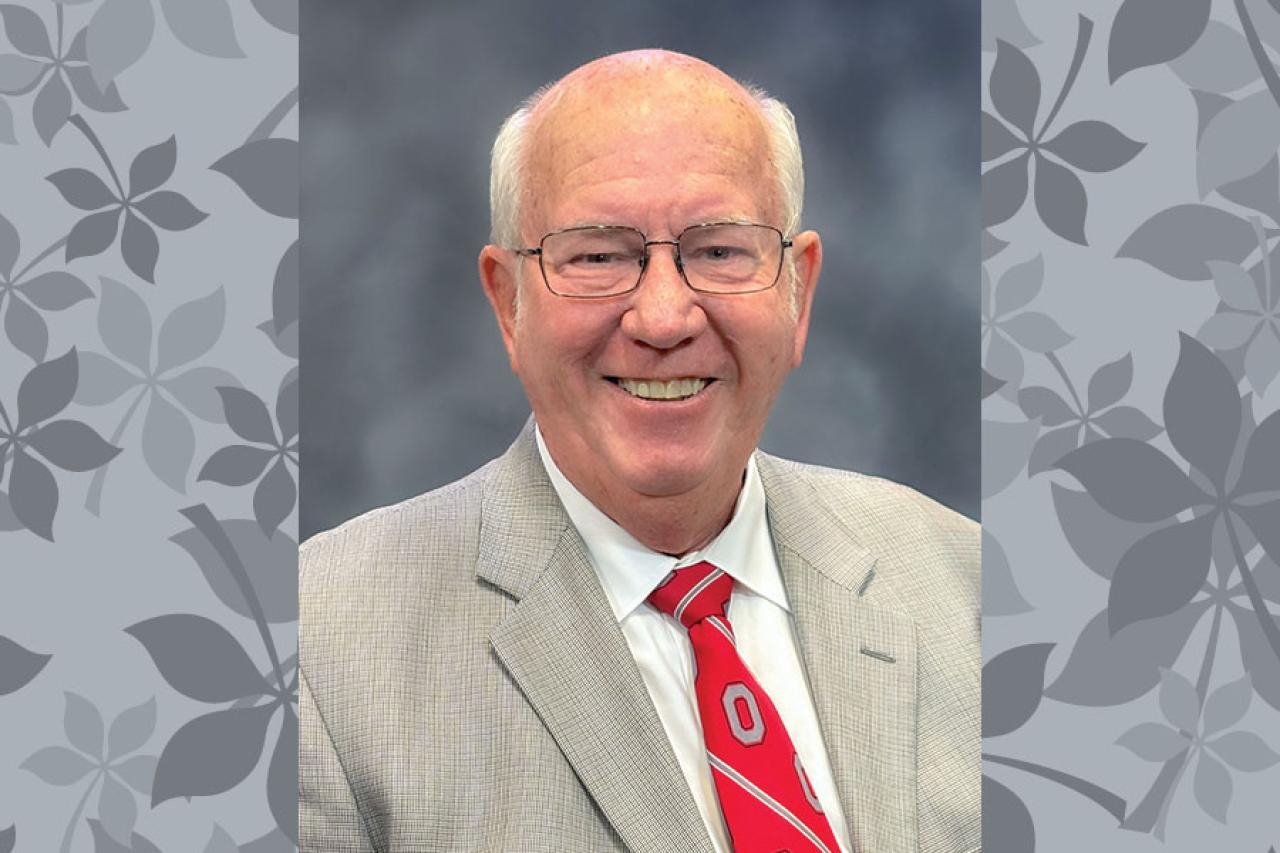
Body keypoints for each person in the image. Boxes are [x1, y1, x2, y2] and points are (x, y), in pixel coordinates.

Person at [299, 49, 979, 853]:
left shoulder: (969, 585)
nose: (664, 317)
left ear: (797, 293)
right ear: (508, 303)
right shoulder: (318, 653)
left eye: (720, 250)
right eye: (596, 256)